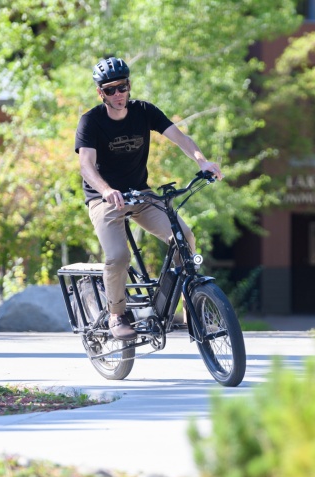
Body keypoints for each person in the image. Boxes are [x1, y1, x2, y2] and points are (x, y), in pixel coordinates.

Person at [75, 56, 223, 341]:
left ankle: (189, 306)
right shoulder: (90, 121)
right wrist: (106, 190)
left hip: (140, 194)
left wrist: (202, 161)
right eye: (110, 90)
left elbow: (180, 137)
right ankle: (117, 315)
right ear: (100, 93)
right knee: (118, 256)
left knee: (184, 237)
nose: (118, 95)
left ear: (129, 86)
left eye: (122, 87)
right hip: (104, 199)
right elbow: (86, 165)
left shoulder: (144, 111)